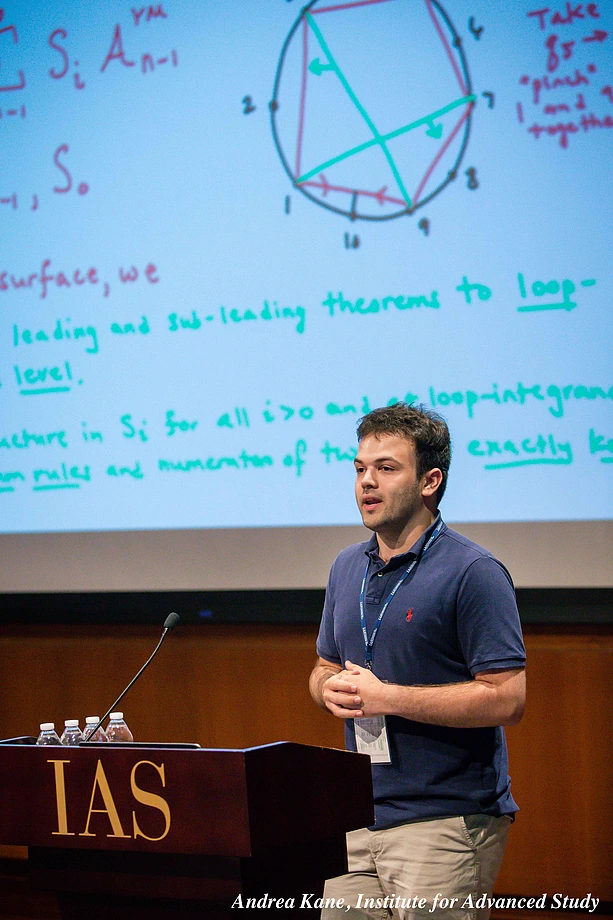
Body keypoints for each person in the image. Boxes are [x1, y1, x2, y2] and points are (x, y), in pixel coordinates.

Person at [309, 403, 526, 920]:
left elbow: (507, 697)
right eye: (360, 468)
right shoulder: (346, 567)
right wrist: (326, 689)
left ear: (430, 481)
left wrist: (388, 698)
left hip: (445, 822)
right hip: (360, 818)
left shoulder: (473, 571)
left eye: (386, 468)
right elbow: (322, 667)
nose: (367, 482)